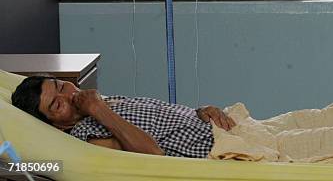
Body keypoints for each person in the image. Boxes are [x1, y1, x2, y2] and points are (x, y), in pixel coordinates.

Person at [11, 74, 236, 158]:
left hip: (225, 127)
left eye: (62, 86)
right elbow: (152, 153)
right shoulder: (86, 134)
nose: (69, 95)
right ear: (57, 126)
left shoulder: (106, 101)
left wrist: (201, 110)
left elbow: (164, 117)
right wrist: (98, 109)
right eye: (57, 104)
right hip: (220, 148)